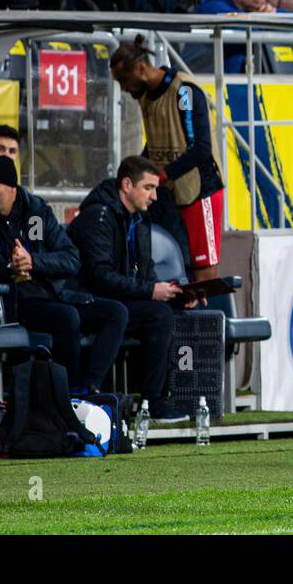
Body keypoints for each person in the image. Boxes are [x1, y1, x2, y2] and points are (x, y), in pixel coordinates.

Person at [0, 155, 128, 395]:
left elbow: (71, 258)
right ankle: (68, 394)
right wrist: (9, 268)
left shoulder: (36, 212)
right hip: (15, 302)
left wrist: (34, 262)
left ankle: (89, 387)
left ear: (11, 188)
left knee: (116, 312)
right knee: (67, 317)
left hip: (56, 294)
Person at [66, 156, 191, 424]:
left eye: (155, 188)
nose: (155, 196)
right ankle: (90, 393)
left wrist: (175, 294)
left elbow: (146, 272)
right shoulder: (98, 216)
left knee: (164, 312)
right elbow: (99, 276)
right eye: (148, 188)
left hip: (117, 298)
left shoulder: (139, 219)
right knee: (128, 312)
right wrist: (149, 291)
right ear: (126, 184)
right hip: (86, 299)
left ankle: (156, 401)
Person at [109, 38, 225, 283]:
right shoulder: (145, 97)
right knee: (178, 263)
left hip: (200, 190)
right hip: (170, 192)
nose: (123, 89)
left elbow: (201, 148)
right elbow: (155, 144)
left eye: (123, 80)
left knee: (202, 267)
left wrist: (162, 174)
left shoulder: (183, 91)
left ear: (141, 69)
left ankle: (204, 318)